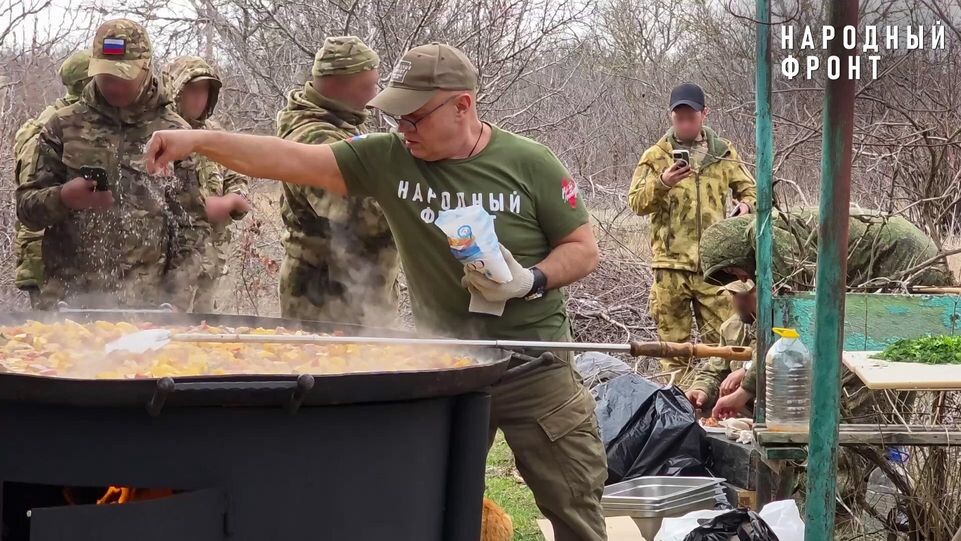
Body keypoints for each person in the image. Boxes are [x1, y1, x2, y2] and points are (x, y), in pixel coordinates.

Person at [144, 42, 608, 540]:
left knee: (573, 507)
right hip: (447, 368)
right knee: (427, 511)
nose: (403, 128)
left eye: (415, 116)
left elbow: (582, 248)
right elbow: (288, 158)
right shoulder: (388, 159)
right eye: (396, 117)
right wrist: (197, 140)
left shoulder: (531, 163)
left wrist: (531, 280)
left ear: (462, 105)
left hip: (535, 364)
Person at [16, 19, 210, 310]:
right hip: (68, 304)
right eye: (106, 75)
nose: (114, 86)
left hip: (147, 308)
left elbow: (192, 226)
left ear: (146, 67)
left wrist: (175, 303)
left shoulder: (175, 133)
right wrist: (63, 197)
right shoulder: (63, 125)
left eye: (123, 76)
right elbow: (27, 210)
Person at [628, 82, 757, 375]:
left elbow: (753, 192)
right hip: (670, 268)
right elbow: (636, 202)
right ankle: (677, 401)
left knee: (724, 350)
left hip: (716, 269)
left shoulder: (723, 153)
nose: (685, 123)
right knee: (672, 352)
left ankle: (719, 401)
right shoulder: (655, 156)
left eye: (691, 117)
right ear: (670, 116)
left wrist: (745, 207)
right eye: (679, 117)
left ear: (704, 114)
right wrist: (663, 183)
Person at [275, 36, 399, 325]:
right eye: (366, 87)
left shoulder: (342, 124)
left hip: (357, 292)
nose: (374, 95)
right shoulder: (312, 137)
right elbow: (363, 216)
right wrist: (419, 194)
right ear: (335, 86)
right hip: (324, 299)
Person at [165, 55, 251, 312]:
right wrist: (199, 207)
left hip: (212, 256)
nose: (198, 98)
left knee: (204, 327)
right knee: (167, 325)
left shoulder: (214, 133)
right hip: (171, 262)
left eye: (205, 90)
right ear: (176, 91)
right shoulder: (161, 132)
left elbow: (237, 173)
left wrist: (234, 200)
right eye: (192, 90)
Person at [12, 51, 92, 309]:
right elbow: (32, 193)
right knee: (54, 329)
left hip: (51, 253)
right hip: (43, 254)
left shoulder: (61, 119)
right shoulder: (54, 126)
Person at [685, 279, 756, 412]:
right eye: (733, 295)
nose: (739, 303)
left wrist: (746, 371)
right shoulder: (730, 327)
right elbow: (716, 370)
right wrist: (702, 390)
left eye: (744, 296)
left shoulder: (781, 321)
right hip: (743, 411)